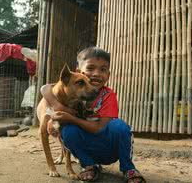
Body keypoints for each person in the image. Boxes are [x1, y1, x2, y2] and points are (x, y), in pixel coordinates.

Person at [41, 46, 146, 183]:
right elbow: (45, 88)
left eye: (103, 69)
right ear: (79, 73)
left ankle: (128, 168)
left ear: (108, 75)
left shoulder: (108, 95)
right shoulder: (75, 96)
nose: (96, 73)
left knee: (119, 126)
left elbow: (98, 128)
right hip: (87, 151)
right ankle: (90, 166)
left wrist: (69, 117)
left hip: (109, 150)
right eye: (90, 68)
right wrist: (56, 111)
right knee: (68, 130)